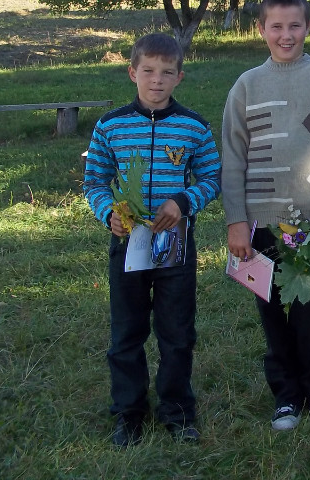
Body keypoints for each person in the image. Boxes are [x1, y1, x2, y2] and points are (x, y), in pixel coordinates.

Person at [222, 0, 310, 431]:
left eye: (295, 26)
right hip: (260, 223)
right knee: (272, 309)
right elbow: (233, 159)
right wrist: (237, 222)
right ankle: (285, 394)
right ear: (261, 29)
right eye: (276, 26)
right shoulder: (246, 86)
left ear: (308, 27)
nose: (286, 35)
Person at [83, 33, 221, 447]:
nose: (156, 80)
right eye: (148, 71)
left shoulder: (194, 127)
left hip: (175, 247)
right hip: (128, 245)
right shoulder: (111, 126)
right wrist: (109, 213)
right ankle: (129, 413)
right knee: (126, 332)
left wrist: (183, 201)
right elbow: (95, 181)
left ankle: (177, 410)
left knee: (177, 332)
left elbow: (212, 178)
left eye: (166, 72)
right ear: (132, 73)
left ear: (180, 77)